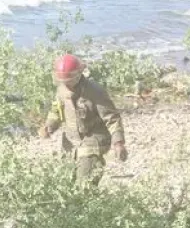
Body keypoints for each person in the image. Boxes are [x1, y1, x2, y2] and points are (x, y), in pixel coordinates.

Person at [39, 53, 127, 186]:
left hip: (93, 140)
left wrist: (118, 143)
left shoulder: (95, 91)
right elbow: (56, 111)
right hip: (71, 142)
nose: (66, 84)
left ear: (79, 75)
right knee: (66, 182)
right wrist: (49, 126)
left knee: (85, 184)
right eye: (63, 82)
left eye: (69, 81)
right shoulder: (61, 90)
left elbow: (112, 118)